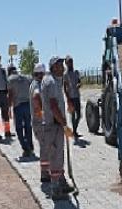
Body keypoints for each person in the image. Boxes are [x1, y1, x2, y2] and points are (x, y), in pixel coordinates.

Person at [41, 56, 74, 199]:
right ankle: (55, 188)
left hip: (55, 124)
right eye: (61, 65)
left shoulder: (54, 81)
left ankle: (61, 181)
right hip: (54, 124)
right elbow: (53, 106)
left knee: (58, 155)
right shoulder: (51, 82)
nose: (64, 67)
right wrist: (64, 124)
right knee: (55, 156)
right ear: (54, 66)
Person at [7, 66, 34, 158]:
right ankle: (30, 146)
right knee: (28, 127)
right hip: (28, 105)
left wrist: (9, 108)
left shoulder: (10, 79)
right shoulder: (26, 77)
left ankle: (25, 148)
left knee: (19, 129)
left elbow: (10, 94)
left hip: (18, 106)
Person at [30, 63, 49, 182]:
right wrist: (41, 113)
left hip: (37, 121)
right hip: (39, 122)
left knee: (44, 147)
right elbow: (36, 97)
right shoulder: (37, 85)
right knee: (45, 147)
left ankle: (46, 171)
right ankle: (44, 173)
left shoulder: (33, 83)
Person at [63, 55, 82, 139]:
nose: (70, 63)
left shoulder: (76, 72)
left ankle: (74, 130)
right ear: (66, 64)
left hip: (77, 96)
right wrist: (67, 99)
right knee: (73, 115)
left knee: (79, 115)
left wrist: (79, 84)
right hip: (71, 97)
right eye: (69, 62)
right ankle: (74, 132)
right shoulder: (65, 75)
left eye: (71, 61)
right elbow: (65, 87)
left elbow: (79, 81)